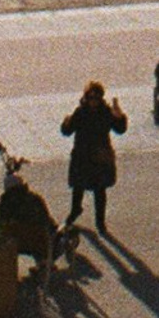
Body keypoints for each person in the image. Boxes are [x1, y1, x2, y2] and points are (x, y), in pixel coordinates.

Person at [61, 79, 127, 236]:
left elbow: (120, 129)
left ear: (101, 98)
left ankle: (100, 221)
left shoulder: (106, 112)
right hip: (82, 155)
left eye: (96, 98)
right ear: (85, 97)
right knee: (78, 187)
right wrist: (66, 122)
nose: (93, 101)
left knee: (100, 190)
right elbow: (67, 131)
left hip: (99, 156)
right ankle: (75, 210)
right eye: (90, 97)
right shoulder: (80, 112)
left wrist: (120, 116)